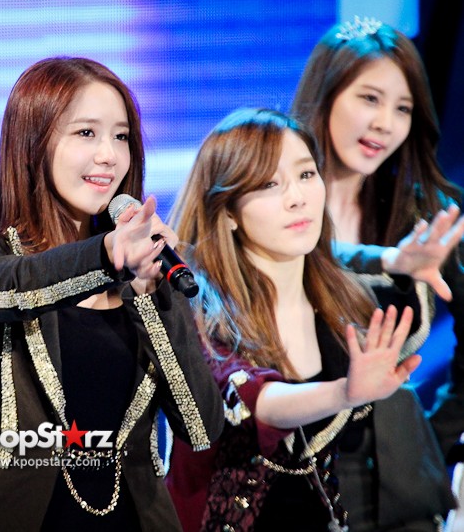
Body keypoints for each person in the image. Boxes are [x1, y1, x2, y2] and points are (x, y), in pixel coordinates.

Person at [0, 57, 224, 532]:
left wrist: (151, 292)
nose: (109, 155)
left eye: (121, 136)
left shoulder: (141, 278)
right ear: (33, 144)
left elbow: (201, 426)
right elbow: (18, 286)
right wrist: (107, 256)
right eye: (86, 133)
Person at [162, 108, 455, 532]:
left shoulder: (339, 297)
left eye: (305, 174)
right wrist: (343, 393)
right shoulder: (198, 308)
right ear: (227, 213)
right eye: (268, 184)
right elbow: (254, 399)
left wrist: (406, 266)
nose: (297, 197)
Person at [291, 17, 464, 530]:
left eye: (403, 108)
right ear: (325, 94)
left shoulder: (425, 219)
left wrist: (433, 436)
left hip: (399, 490)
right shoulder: (271, 202)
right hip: (292, 477)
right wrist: (390, 262)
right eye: (370, 98)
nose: (386, 123)